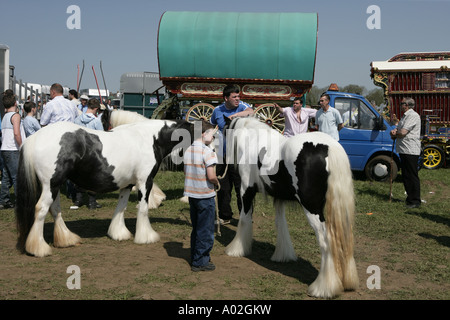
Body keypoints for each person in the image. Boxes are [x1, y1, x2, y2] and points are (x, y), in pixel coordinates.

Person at [210, 84, 254, 225]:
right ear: (226, 98)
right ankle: (225, 216)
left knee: (242, 187)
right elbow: (211, 126)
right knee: (223, 188)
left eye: (238, 96)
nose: (237, 98)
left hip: (240, 157)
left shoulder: (241, 106)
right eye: (234, 96)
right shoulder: (217, 111)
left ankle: (245, 216)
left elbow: (251, 111)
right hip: (222, 157)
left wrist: (235, 115)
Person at [183, 121, 219, 271]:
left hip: (192, 194)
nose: (213, 136)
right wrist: (216, 182)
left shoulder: (188, 150)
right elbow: (211, 176)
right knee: (206, 229)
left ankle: (196, 255)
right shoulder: (207, 152)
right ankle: (200, 261)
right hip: (205, 195)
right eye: (212, 133)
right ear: (204, 134)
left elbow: (186, 172)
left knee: (197, 227)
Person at [390, 98, 421, 209]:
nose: (400, 105)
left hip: (411, 150)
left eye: (402, 103)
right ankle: (410, 198)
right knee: (406, 175)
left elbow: (403, 132)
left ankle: (415, 201)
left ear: (407, 105)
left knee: (412, 175)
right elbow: (399, 129)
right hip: (404, 149)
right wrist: (394, 131)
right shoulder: (405, 116)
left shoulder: (413, 115)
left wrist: (396, 133)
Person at [73, 98, 104, 209]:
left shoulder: (77, 119)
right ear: (95, 108)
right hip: (92, 151)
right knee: (92, 176)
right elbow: (101, 136)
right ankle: (92, 202)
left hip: (79, 150)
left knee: (79, 175)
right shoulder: (96, 121)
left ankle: (78, 200)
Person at [0, 92, 26, 209]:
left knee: (6, 177)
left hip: (4, 149)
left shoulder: (5, 116)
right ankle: (20, 201)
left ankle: (4, 200)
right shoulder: (15, 116)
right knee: (17, 176)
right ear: (15, 103)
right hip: (13, 149)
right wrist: (22, 146)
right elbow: (17, 133)